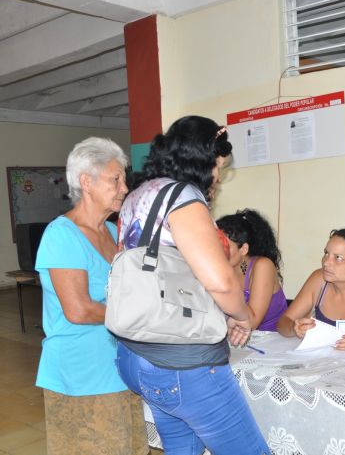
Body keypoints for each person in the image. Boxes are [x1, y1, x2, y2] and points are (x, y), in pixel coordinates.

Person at [115, 116, 269, 455]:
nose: (217, 176)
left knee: (182, 449)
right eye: (218, 166)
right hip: (182, 363)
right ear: (202, 159)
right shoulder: (182, 197)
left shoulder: (137, 196)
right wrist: (242, 316)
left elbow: (167, 277)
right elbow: (222, 282)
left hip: (135, 352)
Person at [35, 137, 148, 455]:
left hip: (120, 366)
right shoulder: (61, 235)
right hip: (81, 374)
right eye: (116, 178)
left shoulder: (113, 232)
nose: (124, 187)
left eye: (123, 178)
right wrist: (138, 316)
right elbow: (79, 310)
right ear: (86, 181)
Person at [216, 209, 288, 331]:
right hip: (236, 339)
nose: (217, 251)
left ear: (243, 249)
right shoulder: (218, 268)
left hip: (271, 342)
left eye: (224, 246)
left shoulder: (262, 266)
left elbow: (251, 322)